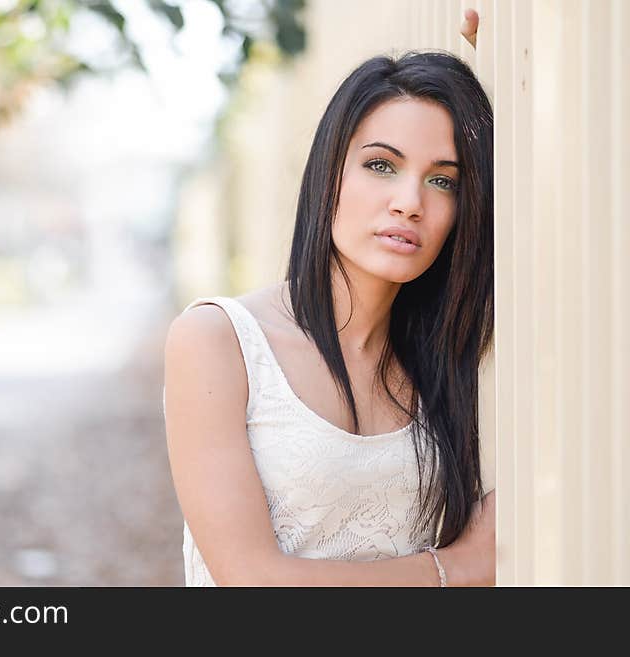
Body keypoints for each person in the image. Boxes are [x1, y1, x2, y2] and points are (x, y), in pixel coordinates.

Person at [164, 25, 494, 586]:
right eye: (382, 165)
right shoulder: (219, 341)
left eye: (443, 182)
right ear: (328, 175)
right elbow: (250, 580)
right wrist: (454, 570)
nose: (409, 203)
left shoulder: (451, 356)